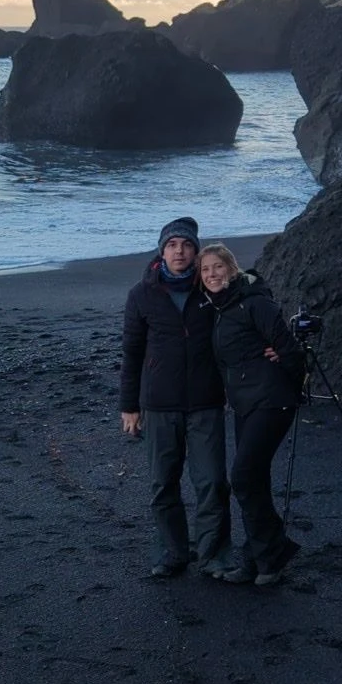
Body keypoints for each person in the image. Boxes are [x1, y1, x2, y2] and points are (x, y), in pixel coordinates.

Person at [120, 216, 233, 580]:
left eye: (186, 245)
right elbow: (132, 351)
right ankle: (172, 553)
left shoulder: (213, 288)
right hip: (159, 404)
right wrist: (129, 406)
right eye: (172, 245)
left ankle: (213, 555)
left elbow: (252, 300)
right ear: (161, 250)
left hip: (206, 402)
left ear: (196, 252)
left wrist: (271, 350)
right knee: (162, 483)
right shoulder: (142, 294)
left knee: (212, 483)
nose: (179, 251)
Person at [197, 242, 304, 585]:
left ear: (231, 268)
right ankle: (261, 558)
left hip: (272, 402)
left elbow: (289, 350)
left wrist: (285, 386)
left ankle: (272, 554)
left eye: (218, 267)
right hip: (246, 403)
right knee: (253, 480)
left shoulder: (254, 302)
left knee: (243, 477)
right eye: (205, 270)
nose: (212, 274)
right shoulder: (220, 308)